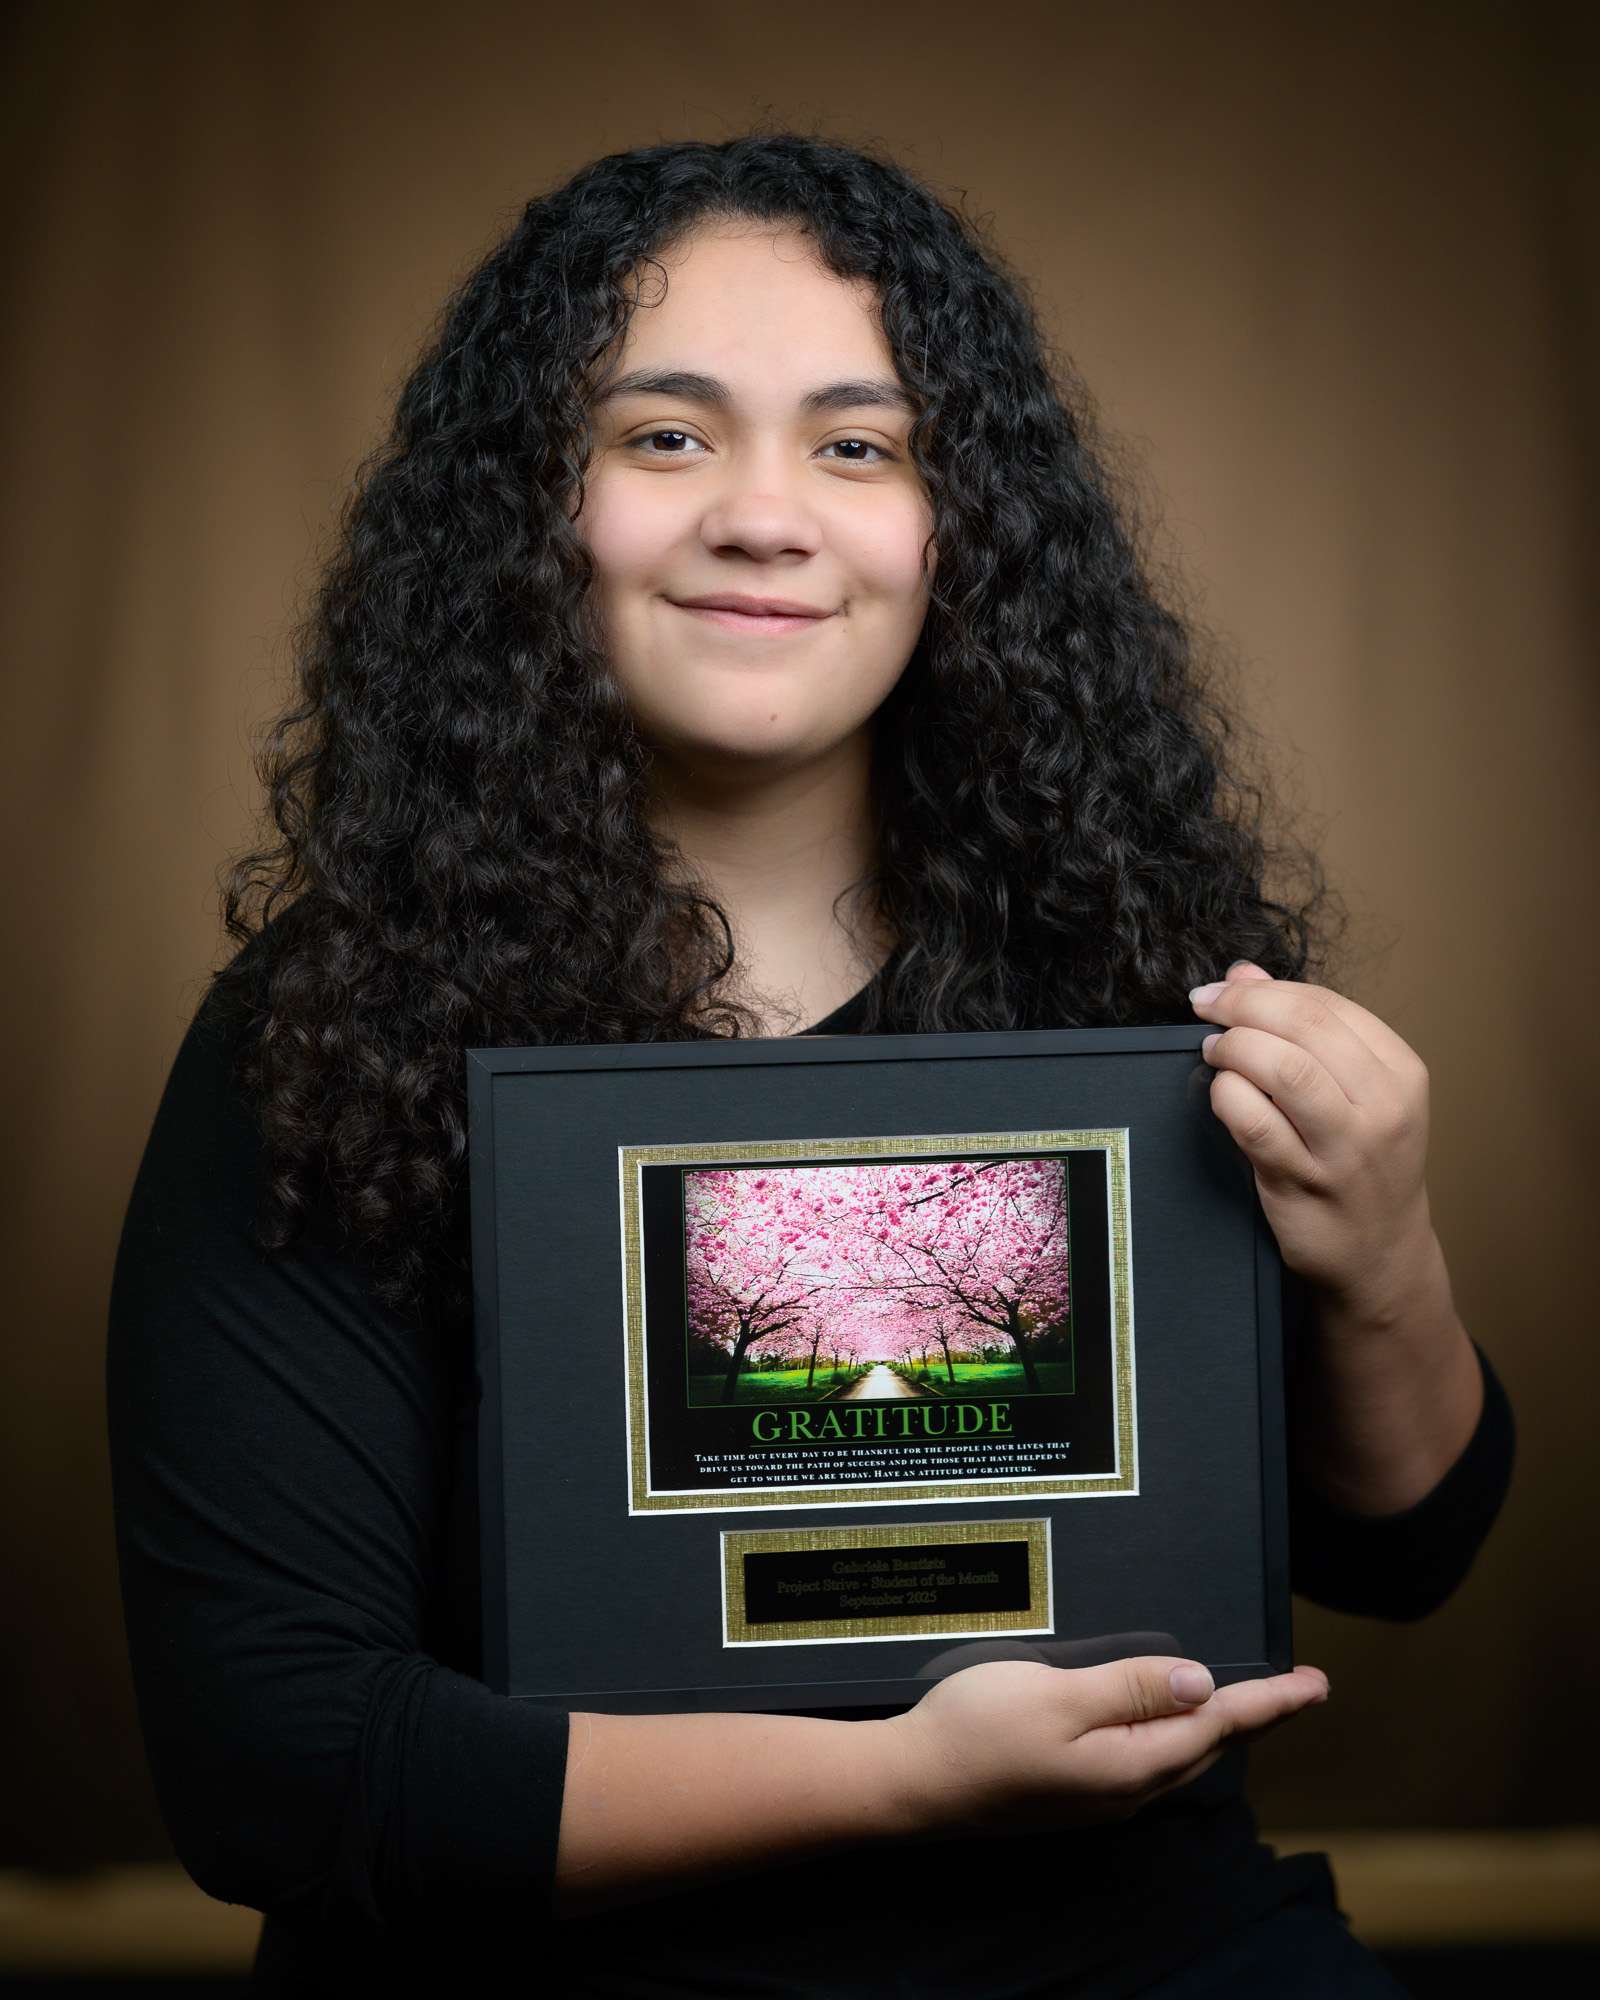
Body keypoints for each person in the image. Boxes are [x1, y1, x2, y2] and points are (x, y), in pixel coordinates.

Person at [106, 132, 1513, 1997]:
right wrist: (897, 1785)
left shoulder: (1133, 970)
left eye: (859, 445)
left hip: (1137, 1947)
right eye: (665, 436)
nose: (767, 516)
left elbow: (1401, 1561)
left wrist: (1386, 1249)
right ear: (530, 507)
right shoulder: (332, 1030)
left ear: (963, 527)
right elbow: (281, 1775)